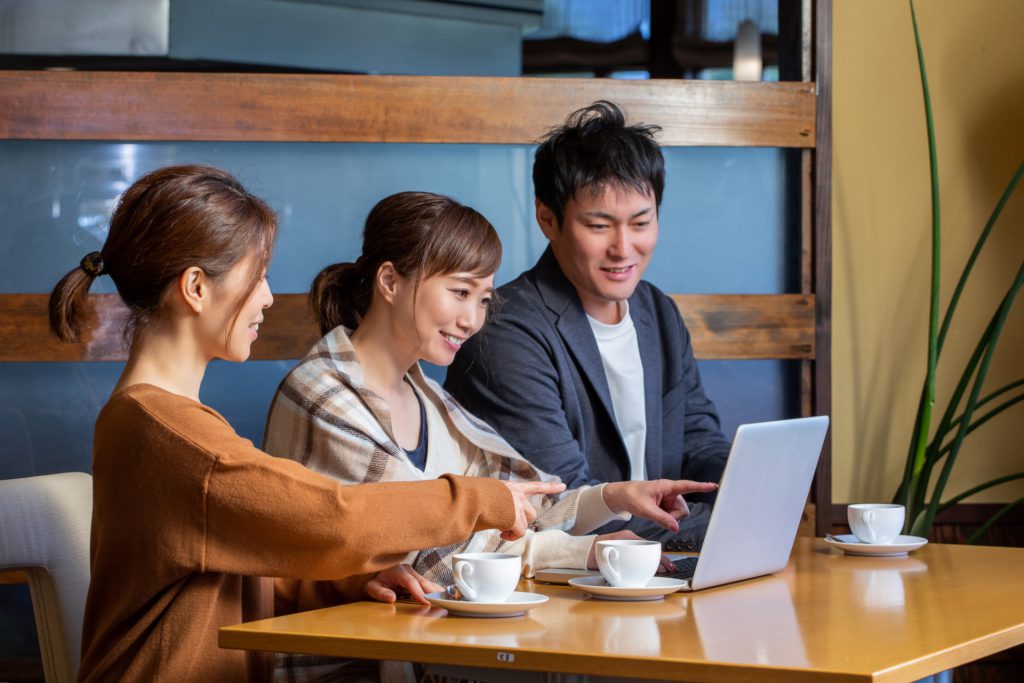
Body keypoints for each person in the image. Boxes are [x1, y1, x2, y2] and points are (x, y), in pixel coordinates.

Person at [48, 166, 560, 683]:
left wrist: (343, 585)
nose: (268, 297)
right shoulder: (172, 435)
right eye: (257, 277)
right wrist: (480, 500)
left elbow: (225, 573)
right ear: (197, 288)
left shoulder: (151, 420)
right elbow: (332, 519)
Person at [263, 190, 717, 583]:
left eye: (483, 300)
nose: (472, 320)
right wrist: (585, 551)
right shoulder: (324, 396)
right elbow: (426, 550)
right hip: (340, 645)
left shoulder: (428, 399)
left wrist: (614, 498)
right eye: (460, 293)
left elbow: (516, 504)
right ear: (390, 282)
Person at [445, 101, 732, 551]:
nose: (624, 248)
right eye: (599, 226)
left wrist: (752, 489)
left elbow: (698, 442)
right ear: (548, 219)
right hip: (561, 576)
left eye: (641, 222)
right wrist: (726, 525)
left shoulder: (657, 312)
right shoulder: (504, 332)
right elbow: (567, 507)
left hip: (655, 568)